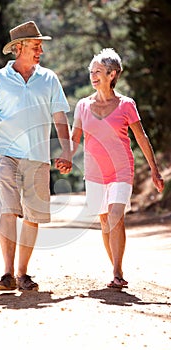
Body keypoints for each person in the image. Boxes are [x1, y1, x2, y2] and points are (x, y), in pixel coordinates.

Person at [0, 21, 72, 291]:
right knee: (8, 210)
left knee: (32, 216)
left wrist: (66, 150)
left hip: (38, 155)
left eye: (40, 45)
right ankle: (7, 274)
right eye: (35, 45)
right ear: (18, 48)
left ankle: (23, 274)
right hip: (6, 153)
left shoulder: (49, 79)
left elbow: (59, 116)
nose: (40, 50)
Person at [71, 48, 164, 288]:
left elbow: (141, 138)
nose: (93, 76)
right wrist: (66, 158)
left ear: (112, 74)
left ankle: (117, 271)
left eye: (99, 71)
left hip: (122, 170)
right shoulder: (82, 106)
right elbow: (75, 138)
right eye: (91, 71)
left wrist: (154, 169)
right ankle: (116, 266)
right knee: (104, 221)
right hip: (95, 172)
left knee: (115, 217)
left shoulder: (126, 105)